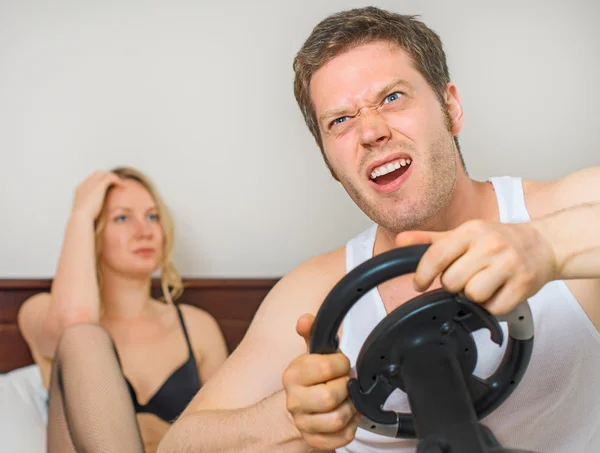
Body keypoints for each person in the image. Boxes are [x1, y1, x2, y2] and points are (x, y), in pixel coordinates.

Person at [157, 6, 600, 453]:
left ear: (451, 108)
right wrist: (292, 418)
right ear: (330, 161)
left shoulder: (562, 209)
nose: (370, 131)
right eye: (341, 121)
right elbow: (178, 445)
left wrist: (548, 246)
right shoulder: (312, 291)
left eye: (392, 97)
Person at [18, 167, 229, 453]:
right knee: (83, 338)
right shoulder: (39, 312)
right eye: (122, 218)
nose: (144, 231)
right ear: (93, 232)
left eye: (152, 216)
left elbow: (229, 435)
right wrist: (80, 216)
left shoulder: (197, 326)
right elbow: (76, 322)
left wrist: (165, 435)